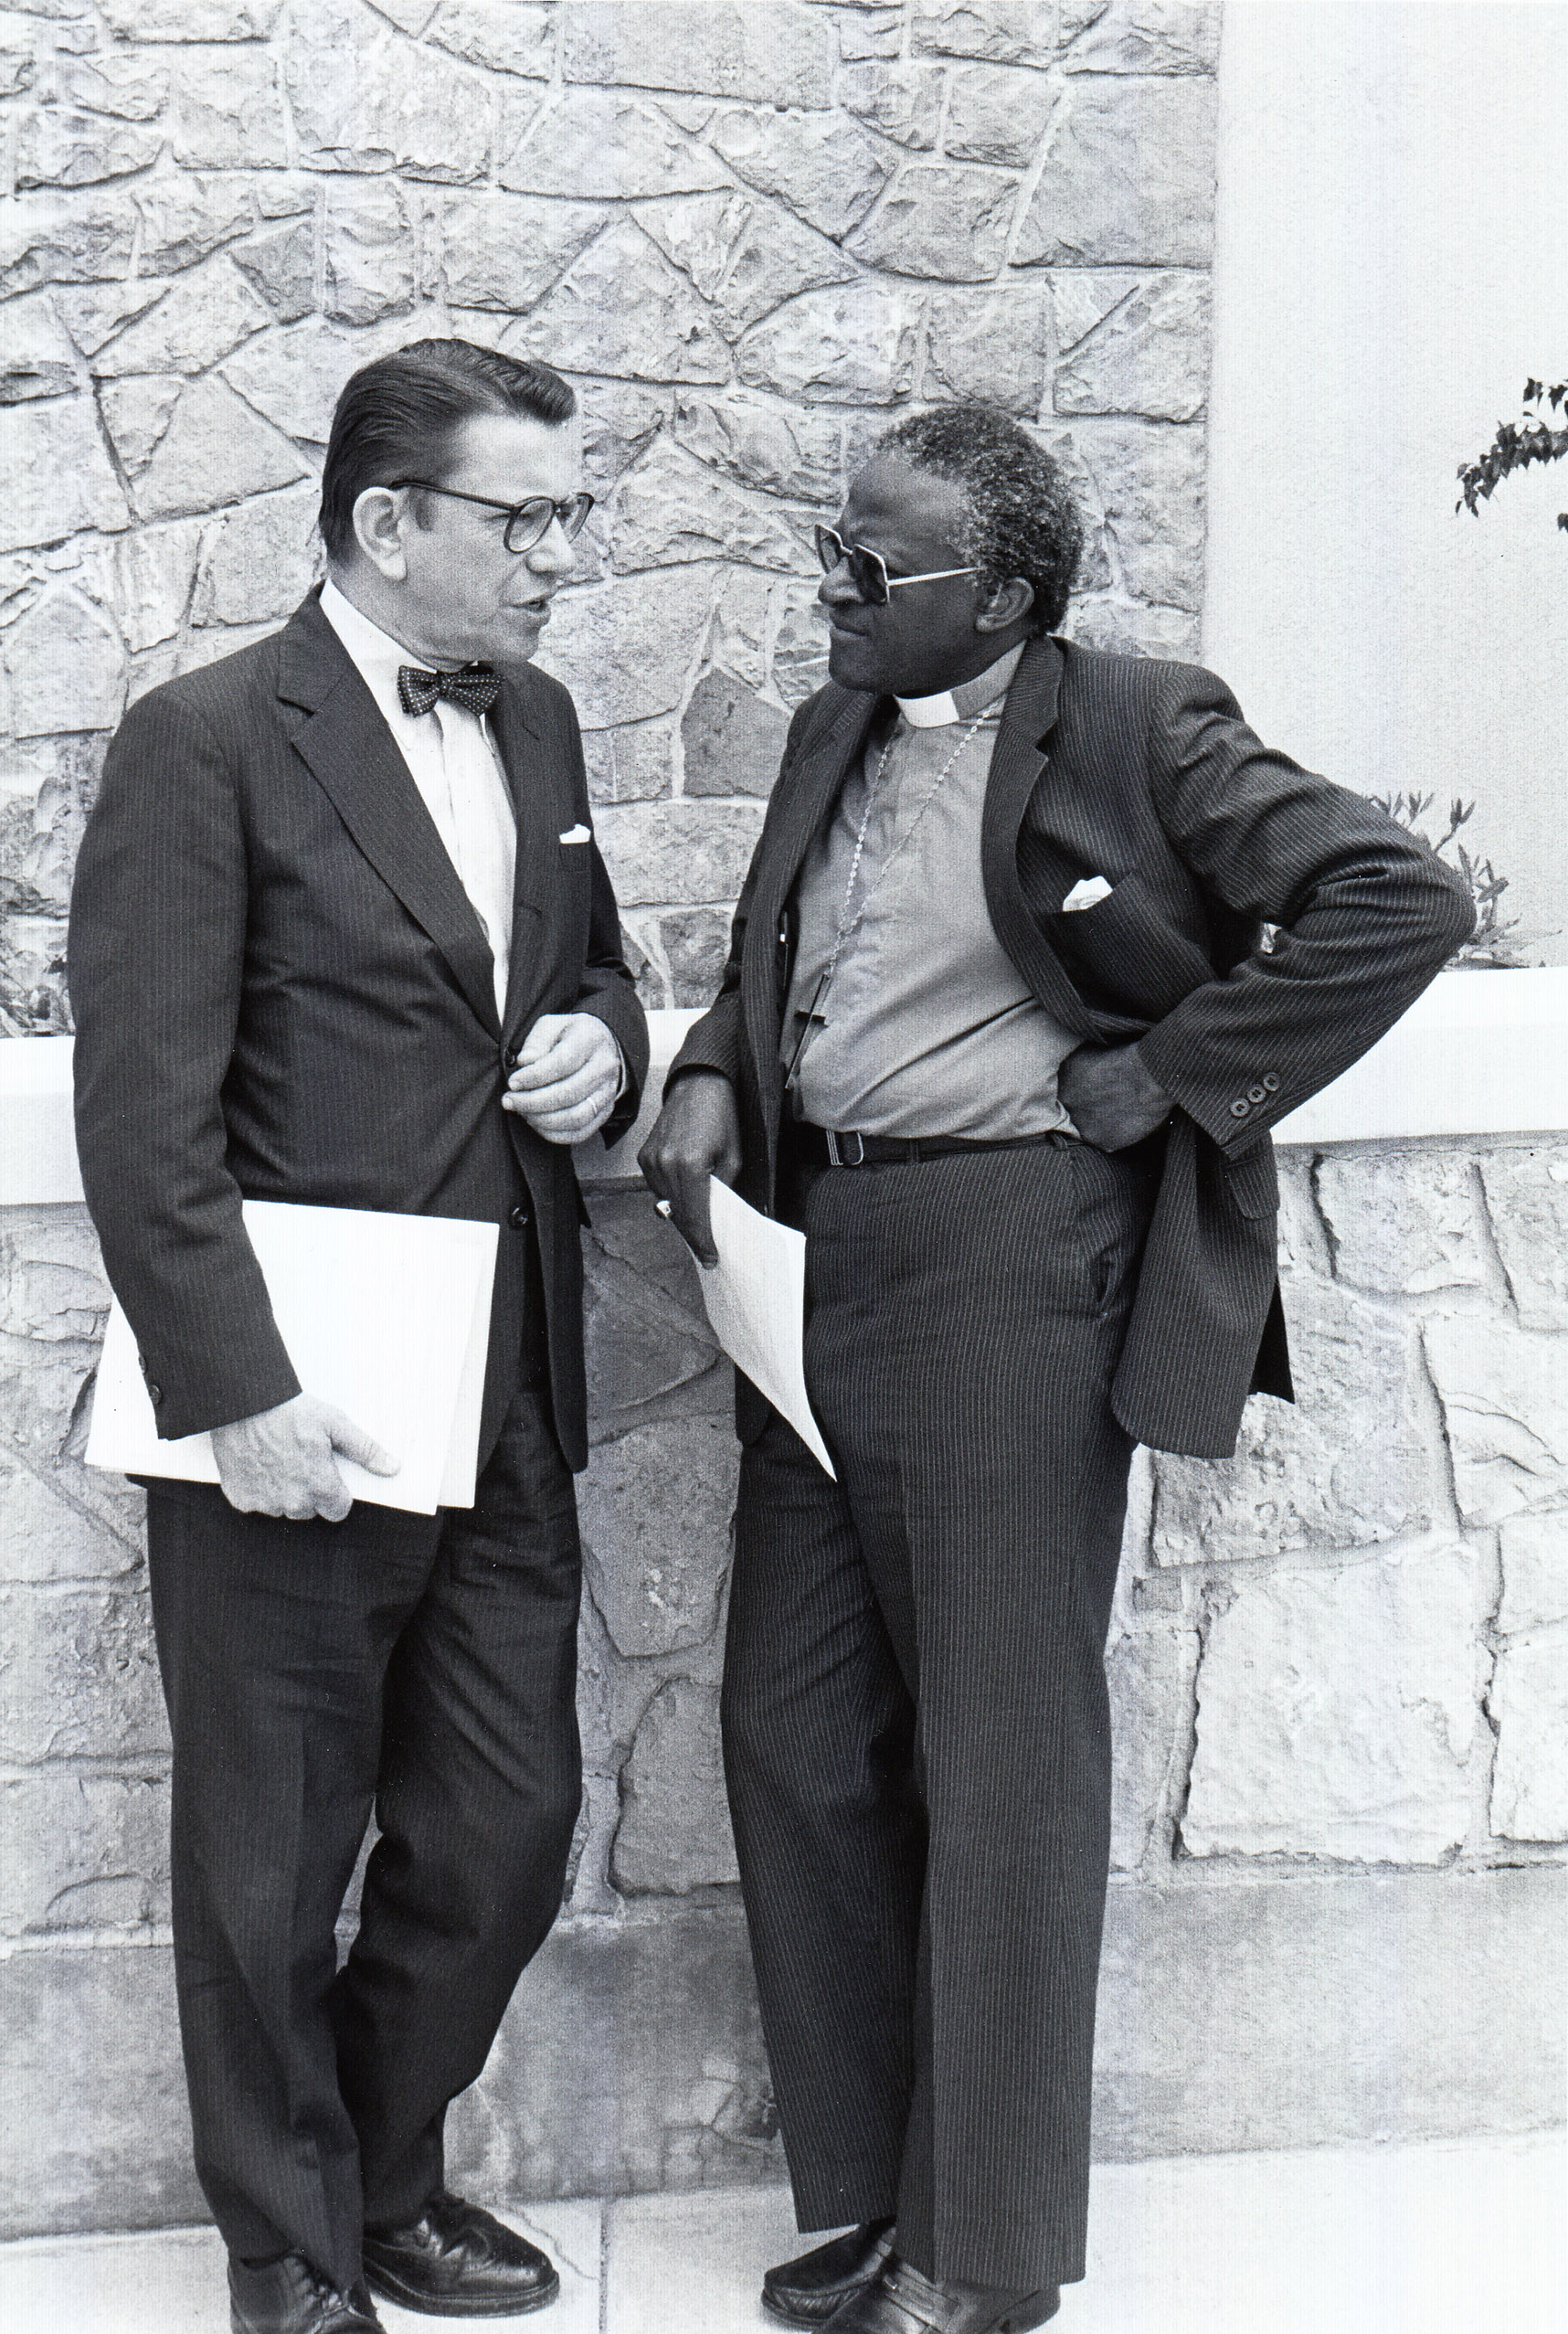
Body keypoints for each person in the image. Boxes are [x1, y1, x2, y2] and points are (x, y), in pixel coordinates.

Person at [640, 403, 1472, 2334]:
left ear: (1003, 594)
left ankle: (989, 2249)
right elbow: (788, 961)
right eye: (833, 546)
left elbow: (1396, 899)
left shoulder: (1138, 722)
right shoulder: (832, 725)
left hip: (1010, 1265)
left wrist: (1167, 1072)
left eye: (872, 562)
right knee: (791, 1728)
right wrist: (706, 1066)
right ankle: (877, 2196)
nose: (830, 586)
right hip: (809, 1253)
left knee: (1002, 1754)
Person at [69, 339, 648, 2334]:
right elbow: (144, 1116)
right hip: (297, 1397)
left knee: (508, 1827)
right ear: (387, 521)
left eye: (572, 513)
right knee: (269, 1856)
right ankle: (293, 2252)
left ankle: (385, 2174)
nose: (560, 554)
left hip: (507, 1387)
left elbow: (590, 969)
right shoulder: (204, 740)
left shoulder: (539, 719)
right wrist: (235, 1392)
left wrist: (605, 1044)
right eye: (527, 516)